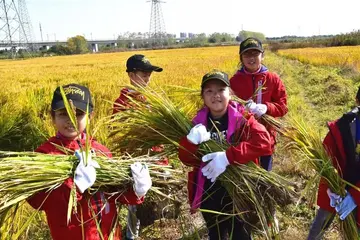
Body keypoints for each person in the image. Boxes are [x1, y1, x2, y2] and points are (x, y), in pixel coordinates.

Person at [27, 83, 152, 240]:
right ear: (53, 117)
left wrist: (136, 190)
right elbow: (37, 201)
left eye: (78, 114)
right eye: (63, 114)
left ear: (90, 116)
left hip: (109, 235)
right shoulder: (46, 155)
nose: (71, 120)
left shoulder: (101, 151)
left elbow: (115, 193)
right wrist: (74, 187)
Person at [178, 70, 272, 240]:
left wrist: (228, 157)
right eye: (209, 91)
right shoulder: (197, 123)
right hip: (209, 191)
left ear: (230, 93)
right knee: (216, 234)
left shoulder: (242, 118)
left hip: (239, 190)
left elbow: (265, 141)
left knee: (241, 234)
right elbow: (186, 159)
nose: (216, 96)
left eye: (221, 90)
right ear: (203, 96)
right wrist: (190, 142)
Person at [112, 54, 166, 240]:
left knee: (152, 196)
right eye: (144, 74)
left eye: (149, 74)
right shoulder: (123, 103)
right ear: (131, 74)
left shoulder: (152, 99)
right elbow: (120, 133)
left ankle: (147, 226)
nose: (148, 78)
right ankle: (131, 235)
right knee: (135, 197)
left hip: (155, 157)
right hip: (137, 160)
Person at [307, 87, 360, 240]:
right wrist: (330, 186)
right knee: (319, 225)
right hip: (336, 187)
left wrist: (355, 197)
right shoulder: (343, 126)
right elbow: (326, 157)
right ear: (357, 100)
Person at [229, 37, 288, 171]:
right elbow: (227, 109)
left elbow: (283, 107)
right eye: (247, 54)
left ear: (262, 55)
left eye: (255, 53)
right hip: (244, 140)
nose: (251, 58)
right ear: (241, 58)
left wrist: (267, 107)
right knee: (248, 178)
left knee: (265, 177)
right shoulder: (234, 82)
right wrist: (241, 110)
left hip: (267, 137)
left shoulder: (272, 79)